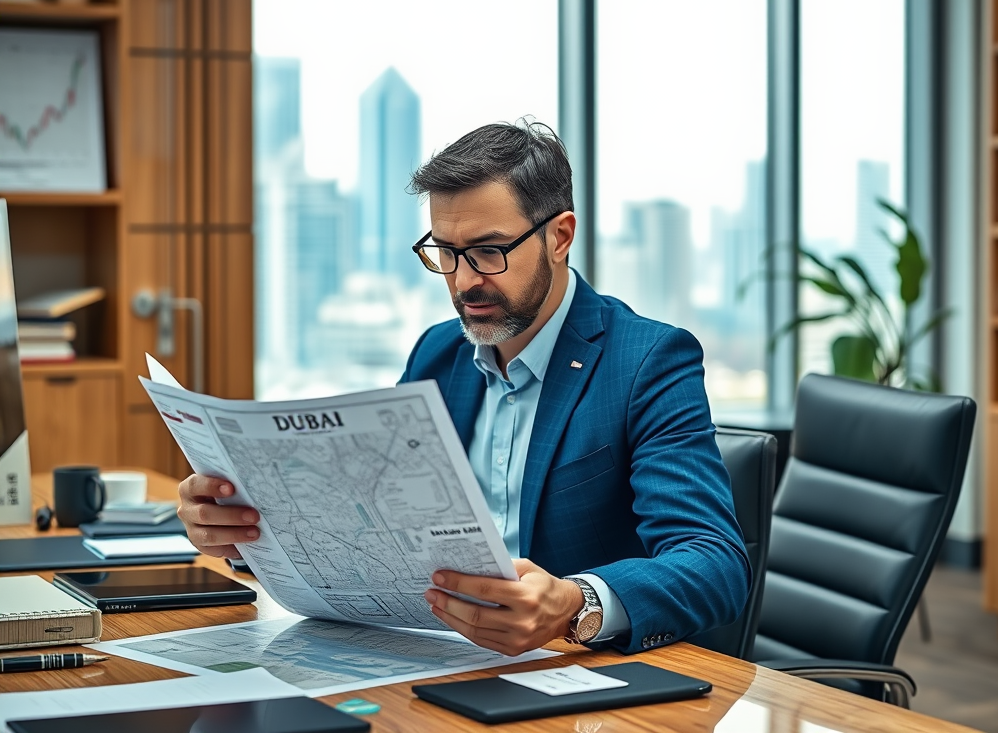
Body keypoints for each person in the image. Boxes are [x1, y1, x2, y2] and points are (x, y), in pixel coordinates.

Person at [177, 120, 750, 657]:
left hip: (569, 674)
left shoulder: (647, 361)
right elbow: (372, 531)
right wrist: (251, 538)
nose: (464, 280)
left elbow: (714, 565)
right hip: (434, 654)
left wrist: (575, 602)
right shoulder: (438, 353)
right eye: (446, 254)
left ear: (560, 236)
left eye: (488, 251)